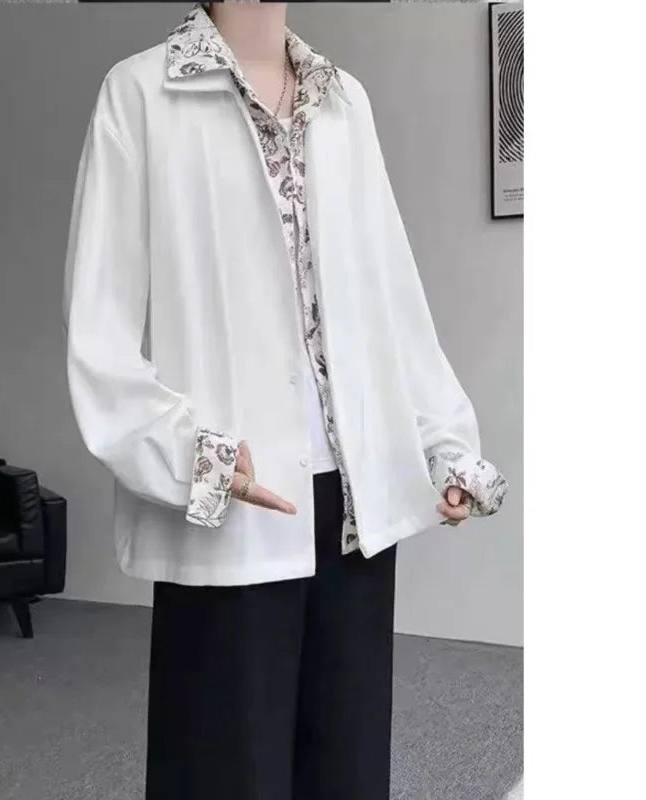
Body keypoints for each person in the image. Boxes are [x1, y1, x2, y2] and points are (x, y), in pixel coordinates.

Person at [62, 3, 508, 798]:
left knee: (346, 768)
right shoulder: (140, 93)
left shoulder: (344, 101)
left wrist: (443, 441)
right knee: (223, 770)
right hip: (237, 495)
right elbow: (99, 328)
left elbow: (390, 294)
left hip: (354, 505)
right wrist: (188, 453)